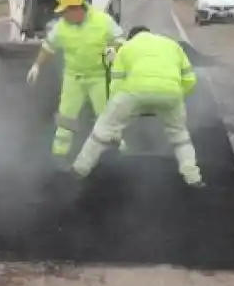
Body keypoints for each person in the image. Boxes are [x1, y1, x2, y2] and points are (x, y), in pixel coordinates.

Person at [70, 26, 204, 187]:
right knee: (180, 136)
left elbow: (116, 83)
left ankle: (79, 170)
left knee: (102, 131)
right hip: (171, 93)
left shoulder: (127, 47)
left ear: (131, 37)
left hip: (134, 93)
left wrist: (122, 110)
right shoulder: (173, 45)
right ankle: (193, 178)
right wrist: (172, 96)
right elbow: (190, 79)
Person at [27, 0, 125, 161]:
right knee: (66, 118)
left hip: (99, 77)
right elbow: (48, 47)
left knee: (106, 116)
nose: (63, 16)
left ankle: (116, 152)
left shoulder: (103, 21)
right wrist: (37, 66)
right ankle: (60, 154)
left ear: (77, 9)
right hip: (73, 78)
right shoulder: (61, 27)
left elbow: (120, 39)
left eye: (65, 12)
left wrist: (113, 49)